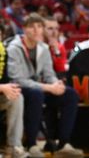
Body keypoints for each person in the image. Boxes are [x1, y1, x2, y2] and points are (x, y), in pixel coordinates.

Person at [7, 14, 82, 157]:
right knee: (36, 93)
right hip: (20, 89)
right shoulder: (14, 48)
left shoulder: (44, 48)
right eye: (31, 27)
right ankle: (31, 144)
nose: (36, 30)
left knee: (70, 95)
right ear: (24, 29)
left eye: (39, 26)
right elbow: (18, 79)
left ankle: (63, 143)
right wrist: (48, 87)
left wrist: (56, 83)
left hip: (39, 88)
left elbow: (49, 74)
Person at [0, 25, 26, 158]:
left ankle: (14, 146)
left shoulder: (2, 50)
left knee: (16, 96)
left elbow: (4, 79)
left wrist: (8, 88)